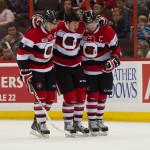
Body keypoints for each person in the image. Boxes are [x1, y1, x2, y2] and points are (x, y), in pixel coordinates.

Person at [31, 10, 108, 137]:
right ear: (66, 22)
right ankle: (67, 123)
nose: (76, 27)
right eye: (73, 24)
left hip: (77, 67)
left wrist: (102, 20)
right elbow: (40, 22)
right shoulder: (58, 26)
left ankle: (77, 122)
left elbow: (97, 20)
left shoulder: (82, 26)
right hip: (61, 68)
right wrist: (35, 21)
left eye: (78, 24)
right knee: (70, 98)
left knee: (82, 96)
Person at [16, 10, 57, 138]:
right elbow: (21, 54)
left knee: (50, 97)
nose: (52, 27)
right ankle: (41, 123)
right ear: (44, 22)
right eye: (50, 24)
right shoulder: (33, 33)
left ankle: (37, 122)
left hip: (49, 68)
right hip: (35, 69)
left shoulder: (53, 30)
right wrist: (24, 70)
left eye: (53, 24)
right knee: (42, 96)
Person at [81, 10, 121, 135]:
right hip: (88, 70)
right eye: (88, 23)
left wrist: (112, 62)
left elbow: (116, 52)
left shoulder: (107, 31)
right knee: (93, 96)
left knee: (103, 95)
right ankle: (92, 121)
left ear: (97, 20)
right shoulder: (80, 32)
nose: (91, 25)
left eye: (93, 22)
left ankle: (99, 119)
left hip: (103, 69)